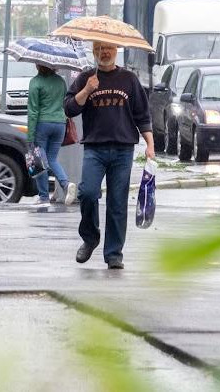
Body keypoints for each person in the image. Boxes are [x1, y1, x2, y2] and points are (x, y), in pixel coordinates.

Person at [64, 41, 154, 270]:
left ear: (116, 51)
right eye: (100, 48)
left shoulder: (129, 80)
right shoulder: (85, 78)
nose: (105, 52)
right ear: (94, 51)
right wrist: (86, 91)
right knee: (88, 193)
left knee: (117, 203)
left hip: (123, 149)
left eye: (109, 48)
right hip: (95, 148)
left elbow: (142, 115)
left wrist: (150, 145)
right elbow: (69, 109)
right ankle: (90, 237)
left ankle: (114, 254)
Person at [28, 64, 75, 205]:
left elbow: (33, 111)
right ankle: (66, 184)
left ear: (38, 65)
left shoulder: (35, 82)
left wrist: (30, 136)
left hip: (43, 124)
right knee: (52, 159)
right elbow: (64, 102)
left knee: (39, 160)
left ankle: (43, 197)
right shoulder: (60, 81)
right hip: (60, 124)